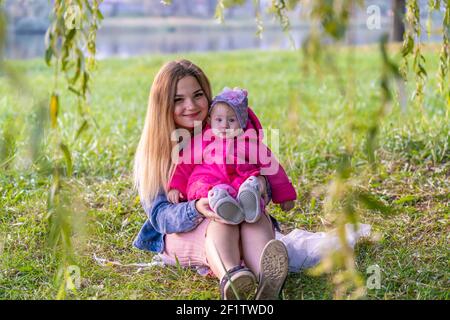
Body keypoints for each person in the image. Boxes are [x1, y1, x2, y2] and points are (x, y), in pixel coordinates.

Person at [133, 59, 296, 300]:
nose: (191, 106)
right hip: (184, 231)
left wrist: (262, 186)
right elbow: (160, 217)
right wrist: (196, 208)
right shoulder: (156, 153)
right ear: (163, 105)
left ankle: (267, 277)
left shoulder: (225, 129)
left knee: (254, 216)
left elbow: (259, 166)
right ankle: (232, 277)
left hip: (237, 216)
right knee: (221, 219)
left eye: (198, 95)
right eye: (178, 99)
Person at [166, 87, 296, 226]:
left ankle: (248, 202)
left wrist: (284, 195)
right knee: (202, 187)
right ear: (210, 120)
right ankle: (221, 202)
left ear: (242, 122)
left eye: (232, 120)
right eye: (219, 120)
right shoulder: (203, 140)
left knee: (252, 182)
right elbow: (184, 164)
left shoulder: (250, 143)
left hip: (238, 182)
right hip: (208, 180)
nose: (224, 125)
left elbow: (272, 168)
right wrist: (175, 187)